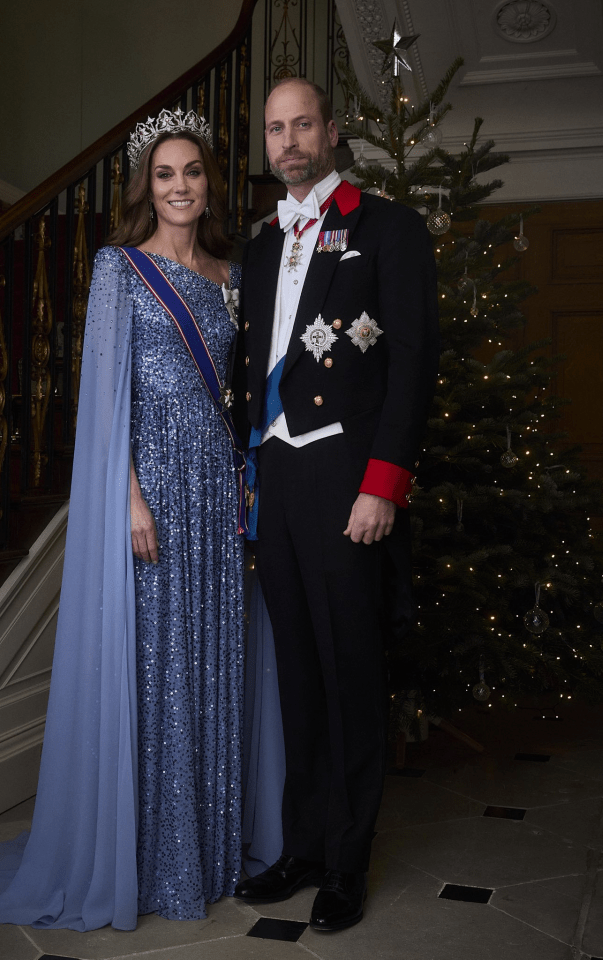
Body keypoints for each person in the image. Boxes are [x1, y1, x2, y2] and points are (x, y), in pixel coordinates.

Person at [0, 108, 246, 931]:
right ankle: (148, 856)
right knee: (157, 663)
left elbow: (238, 393)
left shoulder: (229, 275)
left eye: (192, 172)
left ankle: (208, 848)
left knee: (209, 655)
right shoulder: (119, 269)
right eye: (165, 174)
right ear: (145, 188)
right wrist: (128, 497)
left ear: (208, 183)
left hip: (215, 487)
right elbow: (102, 397)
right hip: (150, 486)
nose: (180, 186)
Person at [232, 78, 440, 932]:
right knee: (299, 676)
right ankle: (306, 845)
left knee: (351, 672)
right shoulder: (256, 246)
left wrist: (382, 483)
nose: (288, 141)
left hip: (348, 482)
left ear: (332, 130)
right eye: (275, 129)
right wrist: (250, 472)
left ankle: (348, 862)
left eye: (302, 124)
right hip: (277, 480)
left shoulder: (387, 228)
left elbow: (413, 364)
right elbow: (253, 370)